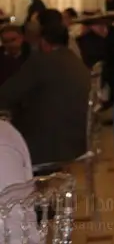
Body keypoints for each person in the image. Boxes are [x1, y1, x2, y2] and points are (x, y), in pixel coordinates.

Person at [0, 19, 90, 166]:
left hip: (47, 143)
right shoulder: (75, 61)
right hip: (77, 141)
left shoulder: (42, 62)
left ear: (43, 42)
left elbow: (7, 94)